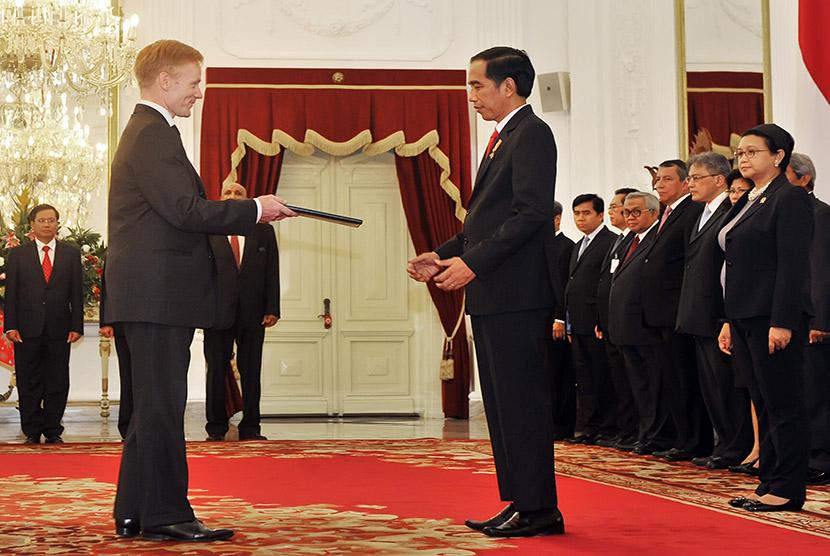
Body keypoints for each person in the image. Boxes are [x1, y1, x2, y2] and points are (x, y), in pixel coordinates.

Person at [105, 39, 296, 542]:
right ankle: (167, 514)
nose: (200, 92)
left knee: (151, 406)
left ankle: (134, 510)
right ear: (164, 81)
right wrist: (255, 209)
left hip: (154, 295)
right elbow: (186, 212)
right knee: (162, 406)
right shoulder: (152, 134)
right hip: (156, 295)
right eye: (194, 82)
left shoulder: (153, 131)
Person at [407, 46, 563, 538]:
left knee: (521, 403)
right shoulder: (504, 137)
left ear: (508, 86)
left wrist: (471, 264)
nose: (470, 94)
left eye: (477, 84)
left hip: (516, 292)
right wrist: (442, 254)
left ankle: (540, 509)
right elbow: (485, 222)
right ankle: (521, 501)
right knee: (500, 405)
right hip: (496, 292)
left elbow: (530, 214)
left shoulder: (533, 134)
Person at [719, 123, 813, 513]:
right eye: (741, 152)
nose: (743, 158)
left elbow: (792, 265)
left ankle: (789, 488)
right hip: (743, 314)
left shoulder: (788, 198)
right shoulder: (748, 199)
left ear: (778, 157)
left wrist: (783, 320)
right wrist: (727, 318)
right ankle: (769, 481)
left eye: (753, 151)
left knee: (783, 402)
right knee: (763, 400)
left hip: (770, 315)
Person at [676, 153, 753, 470]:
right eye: (689, 178)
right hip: (697, 311)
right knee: (710, 386)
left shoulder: (732, 210)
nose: (690, 183)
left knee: (726, 385)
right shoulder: (699, 213)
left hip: (719, 312)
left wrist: (725, 317)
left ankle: (737, 445)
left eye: (696, 177)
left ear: (719, 179)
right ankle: (724, 443)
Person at [642, 160, 711, 463]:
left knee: (685, 380)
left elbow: (688, 265)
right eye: (657, 179)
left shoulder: (691, 211)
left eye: (667, 179)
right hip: (658, 312)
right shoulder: (666, 215)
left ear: (685, 183)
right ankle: (682, 438)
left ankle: (695, 441)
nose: (659, 184)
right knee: (671, 380)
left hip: (676, 312)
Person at [204, 182, 280, 442]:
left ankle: (251, 428)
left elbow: (272, 271)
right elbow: (200, 274)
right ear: (220, 197)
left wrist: (273, 308)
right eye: (228, 192)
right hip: (216, 314)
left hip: (254, 314)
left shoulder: (263, 231)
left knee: (251, 371)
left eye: (239, 193)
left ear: (248, 199)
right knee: (215, 371)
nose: (233, 196)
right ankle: (215, 428)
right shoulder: (209, 230)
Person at [3, 204, 83, 444]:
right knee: (29, 380)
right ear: (32, 226)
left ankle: (53, 429)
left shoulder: (70, 253)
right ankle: (32, 430)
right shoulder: (18, 255)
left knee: (57, 380)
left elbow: (76, 293)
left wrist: (76, 325)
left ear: (58, 223)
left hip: (60, 328)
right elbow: (12, 294)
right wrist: (11, 326)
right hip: (26, 329)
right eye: (42, 220)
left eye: (51, 220)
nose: (47, 224)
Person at [607, 192, 674, 455]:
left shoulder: (656, 239)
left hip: (645, 326)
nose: (630, 217)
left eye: (636, 212)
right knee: (637, 386)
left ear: (654, 214)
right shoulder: (627, 242)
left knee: (653, 385)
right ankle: (644, 433)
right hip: (624, 326)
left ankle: (657, 435)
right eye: (627, 212)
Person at [786, 152, 830, 486]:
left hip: (812, 321)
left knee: (815, 391)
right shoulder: (785, 213)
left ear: (804, 179)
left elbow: (820, 272)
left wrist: (819, 320)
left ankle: (821, 458)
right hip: (788, 318)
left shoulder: (820, 214)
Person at [563, 193, 618, 445]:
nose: (580, 218)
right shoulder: (579, 244)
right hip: (577, 322)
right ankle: (590, 428)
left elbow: (605, 285)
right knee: (584, 380)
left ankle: (608, 428)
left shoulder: (610, 242)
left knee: (601, 377)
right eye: (576, 213)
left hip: (596, 323)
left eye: (586, 213)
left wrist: (600, 319)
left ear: (600, 215)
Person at [595, 187, 640, 449]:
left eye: (616, 208)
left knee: (631, 382)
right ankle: (624, 430)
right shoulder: (621, 240)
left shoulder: (633, 239)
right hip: (611, 322)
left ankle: (633, 430)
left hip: (629, 322)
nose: (614, 212)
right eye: (612, 207)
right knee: (618, 381)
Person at [544, 201, 576, 441]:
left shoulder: (567, 247)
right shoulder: (537, 246)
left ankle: (561, 426)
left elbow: (565, 286)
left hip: (556, 322)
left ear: (557, 219)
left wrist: (559, 317)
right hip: (535, 321)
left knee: (560, 375)